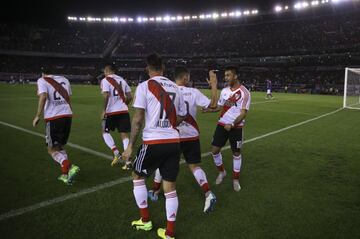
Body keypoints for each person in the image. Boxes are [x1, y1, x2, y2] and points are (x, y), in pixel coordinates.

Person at [122, 54, 187, 239]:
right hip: (174, 143)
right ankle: (169, 233)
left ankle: (145, 221)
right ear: (163, 67)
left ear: (147, 68)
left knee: (137, 176)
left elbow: (137, 119)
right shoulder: (176, 87)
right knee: (170, 188)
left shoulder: (144, 86)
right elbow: (181, 115)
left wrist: (130, 147)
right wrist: (170, 124)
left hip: (153, 142)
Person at [148, 67, 218, 213]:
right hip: (192, 135)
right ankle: (208, 193)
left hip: (173, 135)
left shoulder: (169, 90)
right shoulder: (193, 92)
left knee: (163, 164)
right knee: (194, 166)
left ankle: (154, 191)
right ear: (185, 78)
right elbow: (213, 105)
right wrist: (214, 85)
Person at [204, 66, 251, 192]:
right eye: (225, 75)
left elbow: (243, 113)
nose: (226, 78)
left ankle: (236, 180)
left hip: (236, 127)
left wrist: (233, 124)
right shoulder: (224, 91)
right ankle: (222, 172)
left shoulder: (244, 93)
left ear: (235, 76)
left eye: (228, 75)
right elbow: (219, 107)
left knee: (236, 153)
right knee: (214, 150)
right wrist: (208, 110)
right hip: (222, 125)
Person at [32, 67, 80, 185]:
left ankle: (69, 166)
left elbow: (43, 96)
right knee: (60, 147)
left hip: (54, 117)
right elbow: (68, 95)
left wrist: (38, 115)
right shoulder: (64, 79)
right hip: (67, 115)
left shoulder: (42, 80)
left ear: (43, 72)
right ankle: (65, 174)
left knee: (51, 149)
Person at [100, 64, 133, 169]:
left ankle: (116, 153)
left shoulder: (105, 80)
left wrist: (104, 110)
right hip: (123, 111)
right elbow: (130, 96)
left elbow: (106, 95)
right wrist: (124, 104)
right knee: (124, 135)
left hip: (111, 112)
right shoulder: (122, 80)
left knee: (105, 131)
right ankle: (128, 162)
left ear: (107, 70)